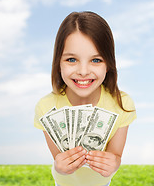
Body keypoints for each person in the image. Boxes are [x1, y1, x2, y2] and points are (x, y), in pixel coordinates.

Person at [34, 11, 136, 186]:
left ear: (109, 64)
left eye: (96, 60)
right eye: (72, 59)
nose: (83, 71)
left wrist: (114, 162)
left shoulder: (122, 104)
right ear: (58, 62)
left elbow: (116, 156)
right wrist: (60, 166)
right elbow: (58, 159)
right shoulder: (46, 107)